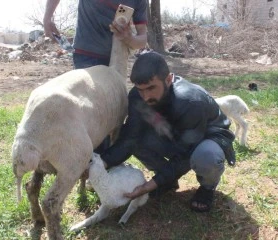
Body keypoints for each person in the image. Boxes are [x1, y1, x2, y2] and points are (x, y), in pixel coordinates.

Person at [100, 52, 236, 212]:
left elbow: (186, 154)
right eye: (141, 90)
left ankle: (207, 187)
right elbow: (130, 137)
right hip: (175, 135)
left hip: (206, 137)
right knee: (133, 138)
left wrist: (150, 185)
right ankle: (168, 181)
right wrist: (101, 164)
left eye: (151, 88)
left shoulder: (190, 101)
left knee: (206, 157)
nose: (145, 96)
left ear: (169, 79)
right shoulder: (137, 97)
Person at [43, 0, 148, 69]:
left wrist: (129, 38)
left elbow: (142, 39)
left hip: (116, 62)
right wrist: (47, 17)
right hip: (86, 57)